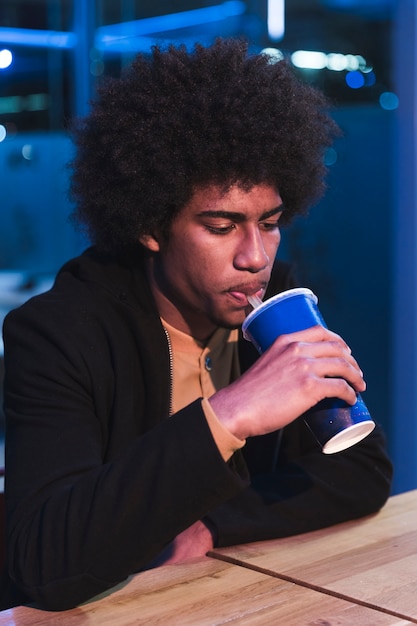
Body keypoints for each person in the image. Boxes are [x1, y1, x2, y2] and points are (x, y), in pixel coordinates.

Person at [1, 38, 392, 611]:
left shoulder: (274, 299)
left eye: (271, 222)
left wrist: (214, 525)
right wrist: (233, 413)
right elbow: (43, 559)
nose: (255, 257)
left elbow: (362, 465)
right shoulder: (61, 331)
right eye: (221, 225)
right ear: (150, 226)